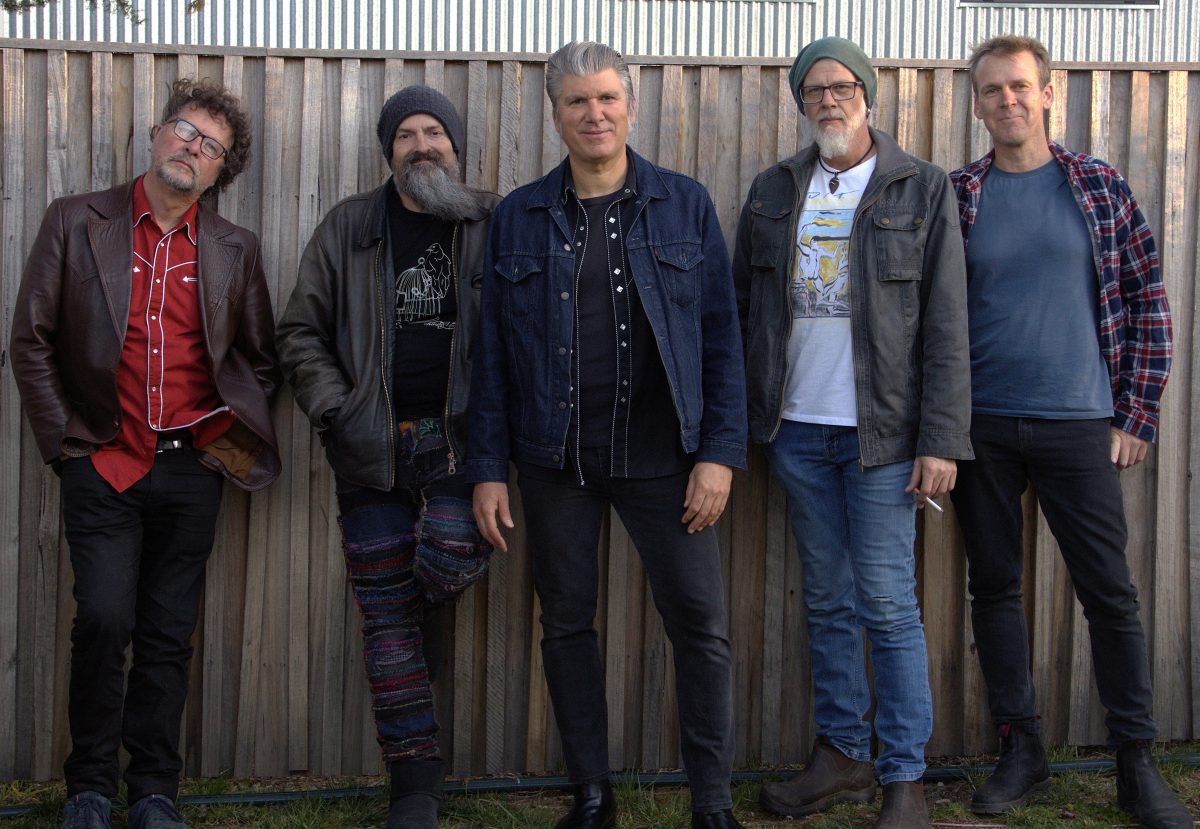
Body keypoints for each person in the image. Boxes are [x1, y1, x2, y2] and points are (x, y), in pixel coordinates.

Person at [468, 40, 748, 829]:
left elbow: (722, 339)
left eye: (607, 99)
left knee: (700, 625)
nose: (594, 114)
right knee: (566, 622)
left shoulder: (684, 204)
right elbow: (491, 353)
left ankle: (713, 803)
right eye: (577, 102)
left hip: (666, 458)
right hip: (554, 458)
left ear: (630, 104)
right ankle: (593, 793)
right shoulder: (519, 216)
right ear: (555, 113)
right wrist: (488, 467)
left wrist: (720, 454)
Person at [9, 78, 280, 829]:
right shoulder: (76, 222)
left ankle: (155, 791)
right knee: (101, 619)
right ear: (158, 136)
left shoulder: (235, 250)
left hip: (192, 470)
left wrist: (221, 448)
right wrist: (67, 444)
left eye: (212, 146)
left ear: (222, 172)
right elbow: (30, 341)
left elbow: (259, 361)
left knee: (167, 634)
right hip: (102, 460)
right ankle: (89, 788)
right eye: (187, 131)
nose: (194, 148)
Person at [949, 35, 1190, 829]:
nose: (1007, 100)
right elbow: (932, 319)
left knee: (1111, 595)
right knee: (995, 588)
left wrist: (1136, 413)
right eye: (992, 90)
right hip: (980, 428)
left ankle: (1135, 759)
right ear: (977, 103)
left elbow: (1147, 294)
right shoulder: (960, 196)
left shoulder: (1098, 185)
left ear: (1048, 94)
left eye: (1021, 87)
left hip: (1078, 421)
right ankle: (1022, 750)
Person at [732, 36, 973, 829]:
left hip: (885, 439)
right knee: (829, 600)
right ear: (801, 103)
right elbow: (743, 315)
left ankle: (904, 775)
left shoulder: (919, 186)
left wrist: (941, 438)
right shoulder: (773, 190)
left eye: (842, 87)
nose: (829, 100)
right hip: (796, 430)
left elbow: (946, 322)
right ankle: (842, 751)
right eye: (814, 90)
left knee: (887, 602)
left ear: (869, 95)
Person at [276, 85, 495, 829]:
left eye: (436, 131)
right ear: (387, 151)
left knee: (440, 563)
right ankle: (414, 788)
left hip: (463, 444)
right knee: (387, 623)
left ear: (456, 148)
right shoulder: (348, 227)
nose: (423, 144)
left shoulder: (489, 224)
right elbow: (299, 331)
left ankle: (417, 607)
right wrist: (338, 410)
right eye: (407, 134)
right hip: (370, 450)